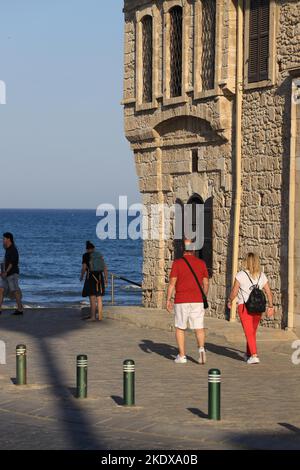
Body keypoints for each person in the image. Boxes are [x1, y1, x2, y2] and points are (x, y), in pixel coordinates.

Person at [167, 238, 209, 364]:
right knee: (199, 327)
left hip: (181, 300)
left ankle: (182, 355)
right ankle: (201, 350)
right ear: (194, 249)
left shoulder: (177, 263)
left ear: (183, 250)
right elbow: (206, 283)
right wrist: (203, 295)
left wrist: (168, 299)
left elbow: (172, 283)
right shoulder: (201, 263)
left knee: (180, 327)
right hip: (197, 300)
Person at [227, 252, 274, 364]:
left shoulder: (241, 275)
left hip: (244, 306)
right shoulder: (262, 275)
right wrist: (271, 306)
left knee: (249, 331)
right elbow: (269, 292)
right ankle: (248, 354)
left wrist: (230, 300)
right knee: (251, 331)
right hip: (258, 307)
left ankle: (254, 355)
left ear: (246, 262)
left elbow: (234, 291)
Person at [80, 241, 108, 321]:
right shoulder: (99, 255)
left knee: (92, 297)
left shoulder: (85, 255)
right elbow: (105, 268)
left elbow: (84, 268)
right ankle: (100, 316)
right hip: (99, 277)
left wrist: (81, 276)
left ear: (86, 249)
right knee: (99, 297)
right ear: (94, 248)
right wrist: (106, 278)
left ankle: (93, 317)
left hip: (91, 277)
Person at [0, 232, 23, 315]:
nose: (3, 240)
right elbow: (5, 262)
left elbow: (12, 263)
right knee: (1, 289)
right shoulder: (7, 249)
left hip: (12, 274)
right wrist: (2, 271)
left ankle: (20, 309)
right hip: (5, 275)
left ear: (9, 239)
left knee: (15, 291)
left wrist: (6, 272)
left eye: (4, 238)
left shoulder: (13, 249)